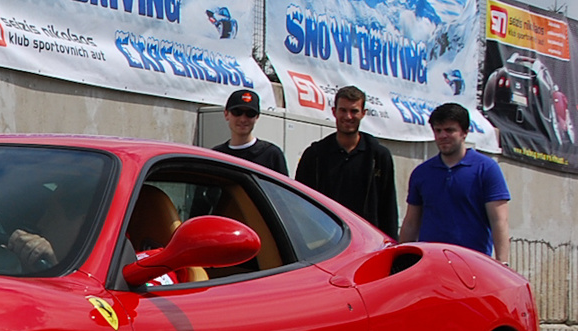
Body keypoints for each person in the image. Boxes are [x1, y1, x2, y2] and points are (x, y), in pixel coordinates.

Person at [399, 102, 511, 262]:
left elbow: (499, 220)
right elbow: (411, 222)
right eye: (438, 130)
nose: (442, 136)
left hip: (473, 264)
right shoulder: (421, 173)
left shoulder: (486, 169)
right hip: (430, 263)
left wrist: (502, 263)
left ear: (465, 132)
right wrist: (400, 260)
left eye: (449, 130)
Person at [293, 85, 399, 236]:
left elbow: (388, 208)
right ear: (334, 111)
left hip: (367, 242)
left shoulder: (379, 156)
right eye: (343, 110)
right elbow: (299, 205)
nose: (348, 116)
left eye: (354, 111)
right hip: (324, 241)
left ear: (363, 113)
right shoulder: (314, 155)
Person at [212, 88, 287, 174]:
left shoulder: (271, 154)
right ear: (226, 114)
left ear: (257, 117)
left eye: (250, 114)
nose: (243, 119)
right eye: (237, 112)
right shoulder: (217, 155)